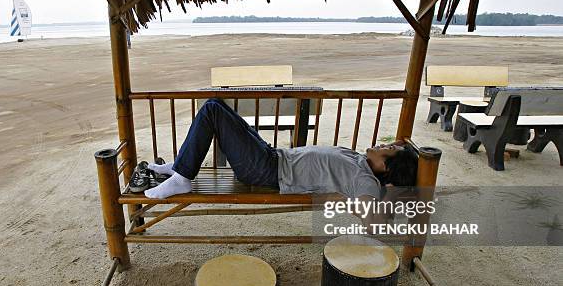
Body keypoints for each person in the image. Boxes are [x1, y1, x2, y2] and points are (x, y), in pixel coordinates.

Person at [145, 98, 418, 201]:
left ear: (386, 168)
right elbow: (402, 143)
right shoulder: (359, 160)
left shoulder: (365, 181)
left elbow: (372, 218)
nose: (385, 144)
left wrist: (392, 192)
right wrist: (401, 147)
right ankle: (181, 165)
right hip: (272, 156)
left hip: (267, 170)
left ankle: (182, 178)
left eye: (388, 150)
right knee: (219, 107)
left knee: (212, 110)